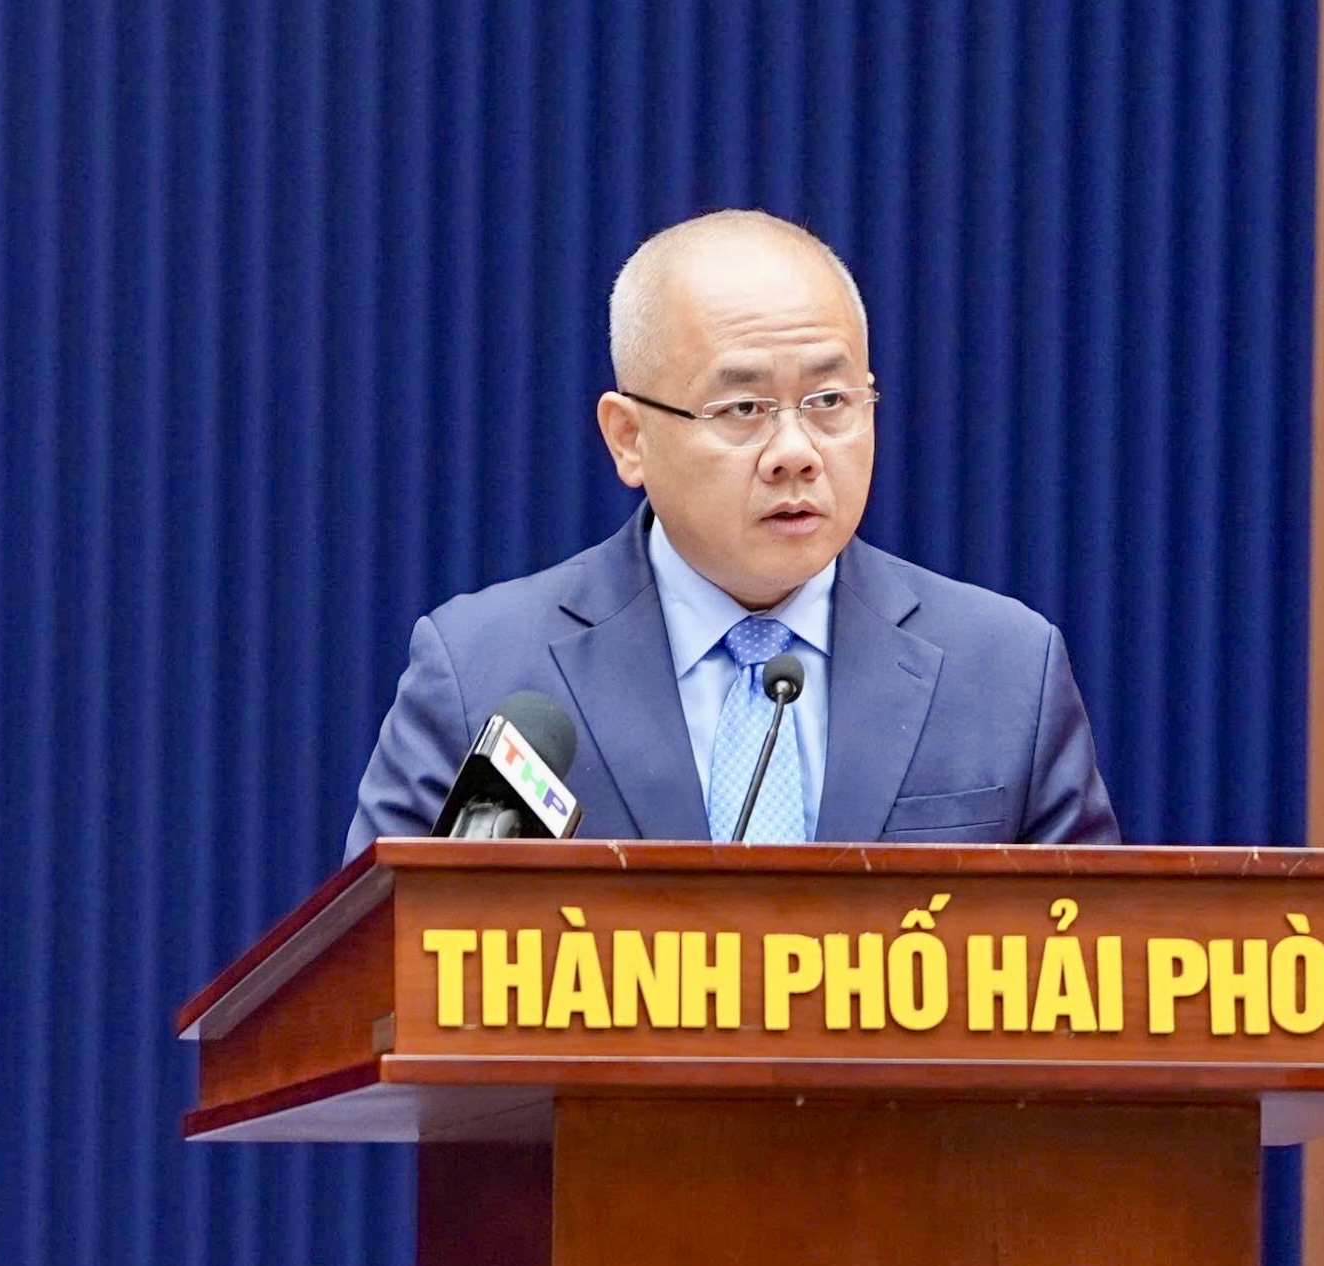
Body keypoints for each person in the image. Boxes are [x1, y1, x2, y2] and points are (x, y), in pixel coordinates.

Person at [344, 210, 1117, 858]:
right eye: (743, 409)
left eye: (830, 401)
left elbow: (1098, 968)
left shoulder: (1006, 671)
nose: (796, 453)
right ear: (629, 439)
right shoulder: (483, 673)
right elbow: (379, 970)